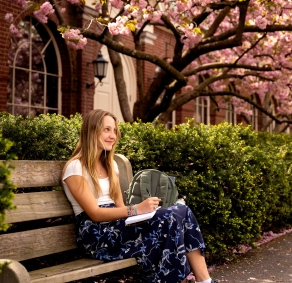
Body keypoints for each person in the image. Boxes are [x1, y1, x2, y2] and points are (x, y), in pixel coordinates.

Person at [62, 109, 217, 283]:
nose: (112, 136)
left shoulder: (111, 165)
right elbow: (95, 213)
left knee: (182, 211)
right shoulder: (75, 167)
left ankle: (205, 281)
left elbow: (120, 208)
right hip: (96, 235)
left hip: (118, 226)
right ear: (91, 131)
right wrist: (137, 209)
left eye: (114, 130)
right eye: (106, 130)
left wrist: (143, 214)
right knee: (169, 218)